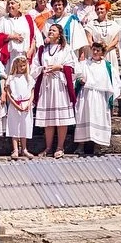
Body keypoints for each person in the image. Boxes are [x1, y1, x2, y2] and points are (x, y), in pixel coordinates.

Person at [34, 24, 76, 157]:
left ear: (59, 34)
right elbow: (34, 66)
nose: (50, 32)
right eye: (50, 30)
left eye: (54, 30)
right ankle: (48, 148)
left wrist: (60, 67)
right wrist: (42, 69)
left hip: (59, 86)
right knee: (48, 119)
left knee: (61, 118)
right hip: (46, 85)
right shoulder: (42, 50)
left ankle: (60, 147)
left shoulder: (66, 49)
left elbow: (74, 67)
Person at [74, 41, 119, 154]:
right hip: (86, 96)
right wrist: (80, 81)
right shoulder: (84, 63)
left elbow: (114, 83)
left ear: (102, 52)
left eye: (97, 50)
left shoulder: (107, 66)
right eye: (93, 49)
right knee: (83, 118)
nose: (94, 52)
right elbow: (76, 77)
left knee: (99, 118)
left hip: (100, 98)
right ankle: (81, 145)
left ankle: (98, 146)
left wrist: (111, 101)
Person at [85, 0, 121, 91]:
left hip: (109, 53)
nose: (99, 11)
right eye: (97, 9)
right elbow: (89, 39)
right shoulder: (91, 24)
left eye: (102, 9)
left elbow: (116, 39)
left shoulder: (113, 24)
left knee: (110, 75)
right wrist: (97, 50)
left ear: (107, 10)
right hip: (96, 54)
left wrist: (106, 49)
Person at [0, 0, 36, 71]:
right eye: (8, 4)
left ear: (19, 5)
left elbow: (34, 37)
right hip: (9, 56)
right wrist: (11, 37)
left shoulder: (28, 19)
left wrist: (31, 51)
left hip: (25, 55)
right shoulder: (3, 20)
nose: (10, 5)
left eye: (12, 3)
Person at [5, 56, 35, 159]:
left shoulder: (29, 78)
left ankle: (24, 149)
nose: (22, 68)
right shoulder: (11, 78)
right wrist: (15, 105)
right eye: (19, 66)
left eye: (23, 65)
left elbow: (32, 93)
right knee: (14, 126)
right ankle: (15, 149)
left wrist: (28, 104)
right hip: (15, 105)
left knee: (25, 126)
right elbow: (8, 93)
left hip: (26, 105)